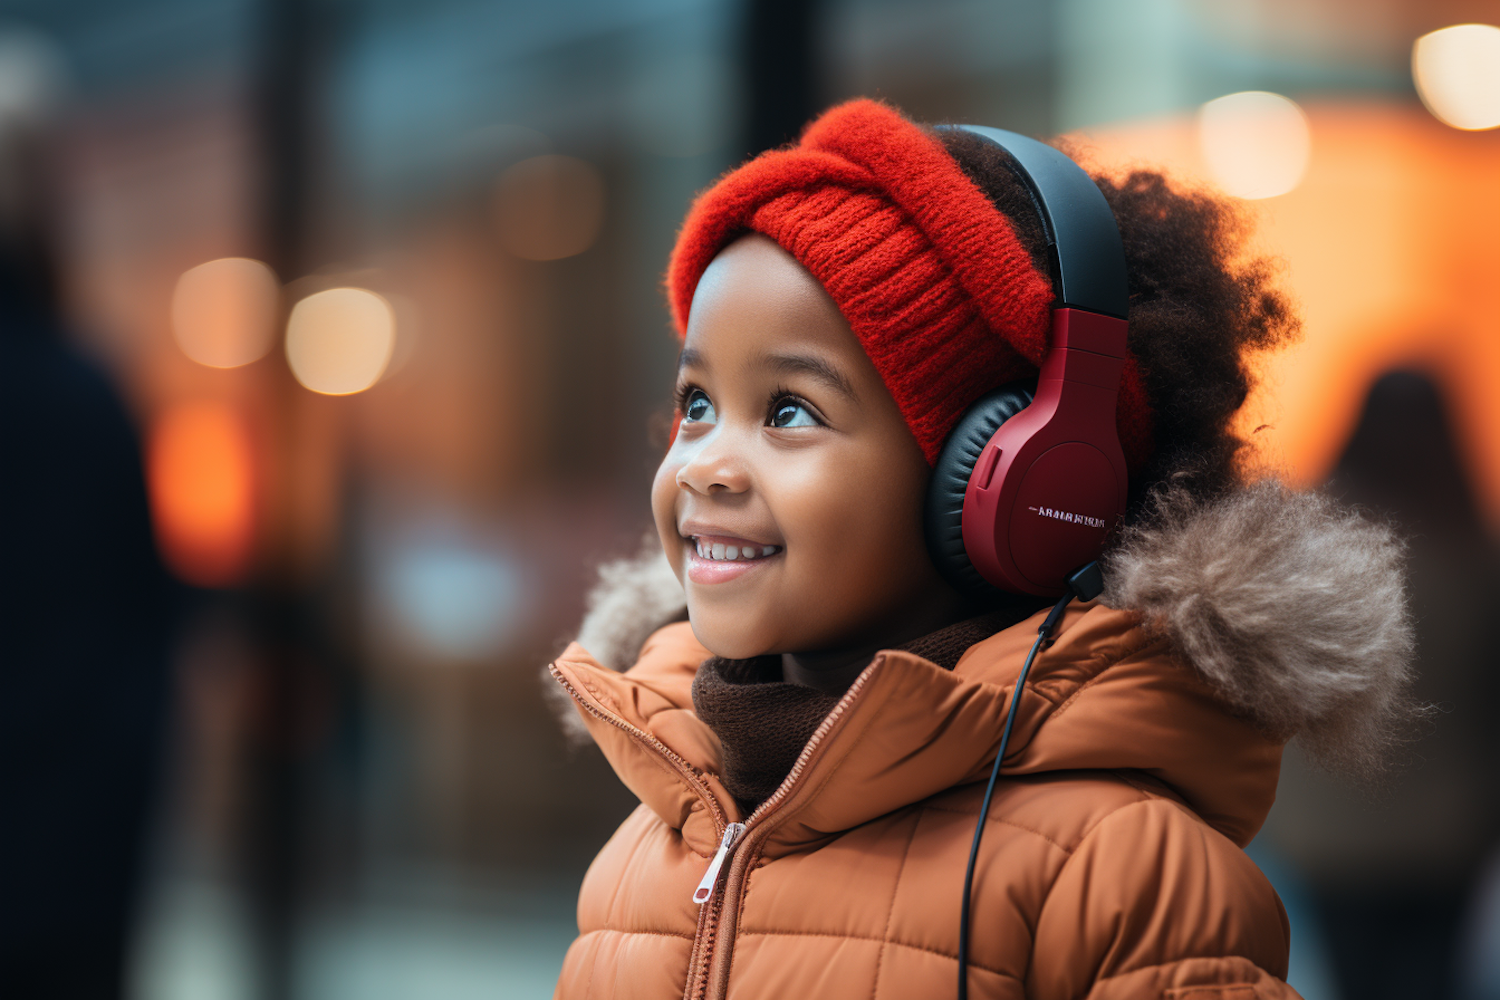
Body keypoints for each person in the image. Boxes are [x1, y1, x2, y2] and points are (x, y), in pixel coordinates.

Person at [545, 99, 1417, 999]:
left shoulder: (1121, 872)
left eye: (789, 411)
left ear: (1017, 484)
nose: (704, 465)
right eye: (696, 405)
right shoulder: (652, 839)